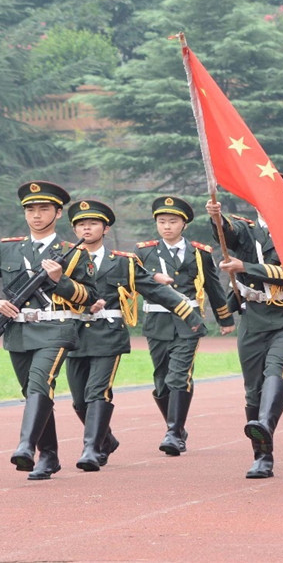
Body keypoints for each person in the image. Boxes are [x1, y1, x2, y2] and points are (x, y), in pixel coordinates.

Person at [0, 181, 98, 480]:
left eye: (44, 209)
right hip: (17, 330)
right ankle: (49, 456)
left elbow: (89, 297)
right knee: (32, 391)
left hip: (56, 327)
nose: (36, 215)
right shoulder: (7, 248)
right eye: (30, 209)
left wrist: (60, 280)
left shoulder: (72, 252)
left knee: (40, 383)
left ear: (58, 213)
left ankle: (26, 446)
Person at [66, 199, 205, 471]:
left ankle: (91, 449)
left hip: (108, 336)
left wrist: (189, 314)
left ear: (105, 229)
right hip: (74, 335)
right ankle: (105, 440)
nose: (87, 228)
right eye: (81, 224)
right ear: (74, 230)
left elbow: (153, 289)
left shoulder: (123, 262)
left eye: (93, 223)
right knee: (79, 400)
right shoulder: (65, 261)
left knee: (97, 392)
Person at [205, 174, 283, 479]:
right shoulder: (246, 229)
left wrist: (247, 267)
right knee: (252, 389)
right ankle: (262, 455)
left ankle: (266, 426)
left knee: (277, 369)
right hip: (253, 316)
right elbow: (229, 234)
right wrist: (217, 219)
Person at [134, 196, 236, 456]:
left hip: (188, 321)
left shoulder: (199, 253)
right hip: (157, 321)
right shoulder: (144, 252)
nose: (167, 226)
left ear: (184, 225)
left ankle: (173, 431)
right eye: (162, 221)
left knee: (179, 375)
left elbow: (213, 286)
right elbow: (132, 281)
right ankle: (176, 427)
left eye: (173, 221)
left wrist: (224, 319)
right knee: (160, 380)